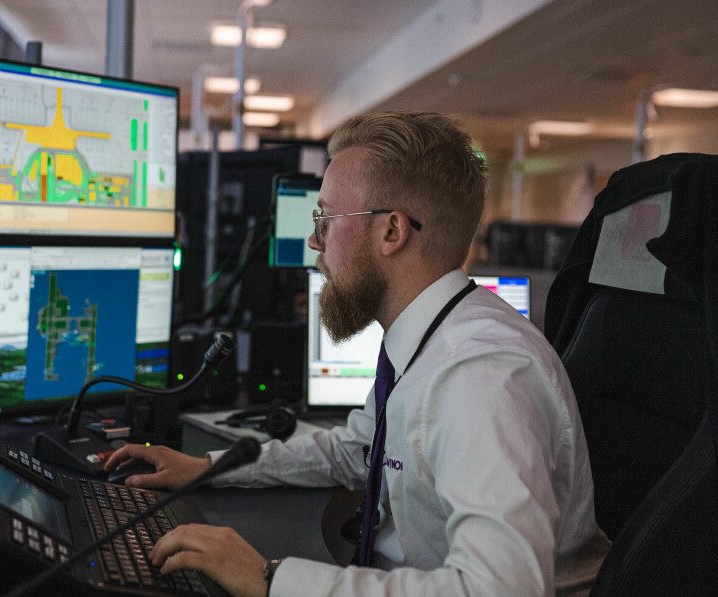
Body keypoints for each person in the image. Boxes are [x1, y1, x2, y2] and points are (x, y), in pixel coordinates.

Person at [105, 111, 611, 596]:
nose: (313, 240)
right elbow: (359, 450)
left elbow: (504, 590)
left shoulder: (481, 376)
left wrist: (269, 580)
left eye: (324, 217)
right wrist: (210, 467)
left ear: (391, 231)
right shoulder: (430, 339)